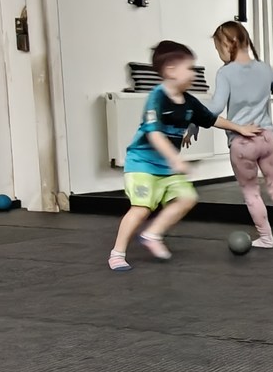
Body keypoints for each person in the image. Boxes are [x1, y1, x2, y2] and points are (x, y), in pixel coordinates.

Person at [111, 40, 260, 271]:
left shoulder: (188, 101)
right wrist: (175, 158)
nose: (194, 73)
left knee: (187, 198)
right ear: (171, 71)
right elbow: (154, 134)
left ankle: (152, 234)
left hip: (167, 169)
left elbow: (211, 119)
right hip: (142, 164)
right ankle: (117, 254)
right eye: (189, 68)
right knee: (141, 209)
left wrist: (239, 128)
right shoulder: (157, 98)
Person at [209, 20, 273, 254]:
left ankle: (266, 237)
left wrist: (194, 120)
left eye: (218, 48)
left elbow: (215, 109)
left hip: (242, 143)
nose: (219, 54)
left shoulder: (225, 73)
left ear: (228, 44)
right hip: (267, 138)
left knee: (251, 192)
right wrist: (270, 83)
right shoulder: (265, 69)